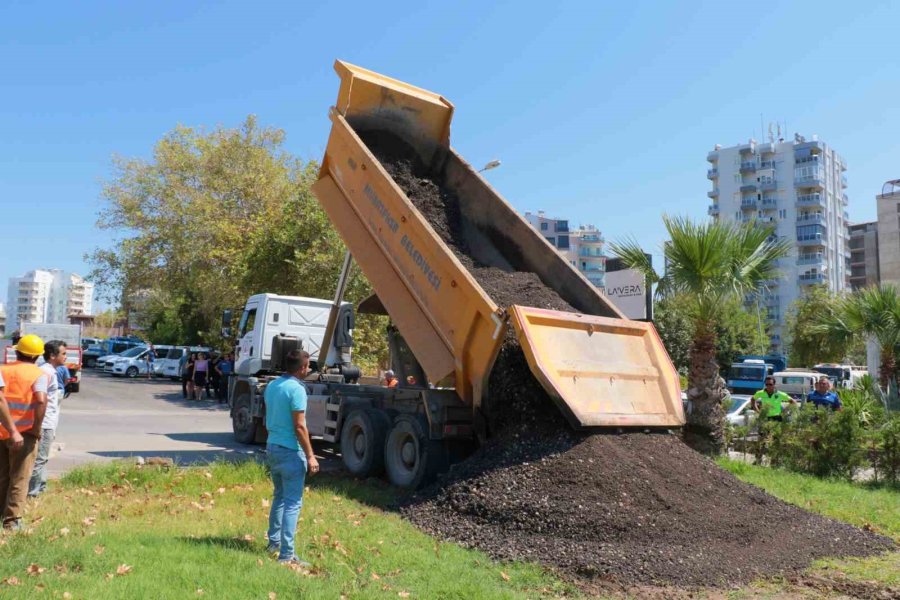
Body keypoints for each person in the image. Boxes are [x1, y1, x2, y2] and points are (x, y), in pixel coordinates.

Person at [264, 349, 319, 566]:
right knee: (293, 503)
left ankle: (273, 543)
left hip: (272, 447)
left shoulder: (272, 385)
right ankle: (287, 555)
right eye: (308, 366)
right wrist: (311, 456)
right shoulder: (297, 390)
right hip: (290, 451)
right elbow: (299, 426)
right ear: (302, 368)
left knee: (279, 497)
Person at [0, 334, 49, 530]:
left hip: (2, 431)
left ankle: (2, 512)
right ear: (37, 356)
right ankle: (12, 521)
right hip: (24, 433)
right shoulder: (38, 375)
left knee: (2, 475)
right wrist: (36, 429)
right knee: (19, 477)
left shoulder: (2, 369)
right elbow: (41, 400)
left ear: (17, 351)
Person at [28, 340, 67, 497]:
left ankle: (41, 487)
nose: (66, 357)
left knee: (43, 459)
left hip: (49, 423)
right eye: (63, 353)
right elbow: (41, 401)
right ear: (52, 355)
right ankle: (32, 494)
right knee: (39, 459)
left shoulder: (51, 371)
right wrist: (39, 426)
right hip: (45, 424)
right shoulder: (46, 372)